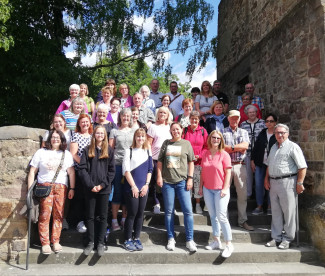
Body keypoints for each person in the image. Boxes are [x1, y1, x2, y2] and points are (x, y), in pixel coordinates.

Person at [27, 130, 75, 255]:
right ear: (49, 139)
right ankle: (45, 243)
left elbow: (71, 172)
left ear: (62, 140)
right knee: (44, 215)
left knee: (58, 215)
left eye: (58, 137)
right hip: (45, 187)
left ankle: (56, 241)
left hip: (61, 187)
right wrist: (29, 189)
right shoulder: (41, 152)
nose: (55, 139)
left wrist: (72, 188)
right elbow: (33, 171)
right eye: (53, 137)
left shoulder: (67, 154)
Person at [264, 124, 307, 250]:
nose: (280, 135)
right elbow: (269, 165)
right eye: (277, 133)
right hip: (273, 182)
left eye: (282, 132)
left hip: (288, 181)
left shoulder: (293, 147)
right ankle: (276, 237)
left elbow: (302, 166)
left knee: (289, 212)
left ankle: (288, 238)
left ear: (287, 133)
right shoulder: (273, 147)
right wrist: (266, 179)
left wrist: (299, 183)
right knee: (276, 211)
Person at [157, 122, 197, 252]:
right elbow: (160, 162)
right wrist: (159, 176)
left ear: (181, 130)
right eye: (173, 130)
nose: (176, 131)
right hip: (168, 182)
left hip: (182, 182)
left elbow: (191, 162)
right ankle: (170, 238)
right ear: (171, 131)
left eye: (178, 129)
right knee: (169, 212)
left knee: (188, 211)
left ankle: (190, 240)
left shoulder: (186, 144)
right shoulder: (166, 143)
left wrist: (190, 178)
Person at [78, 126, 115, 256]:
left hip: (104, 190)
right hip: (90, 189)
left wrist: (102, 185)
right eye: (97, 133)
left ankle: (100, 243)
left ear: (105, 135)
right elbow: (82, 169)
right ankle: (90, 242)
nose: (100, 135)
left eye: (102, 133)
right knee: (90, 216)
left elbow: (111, 171)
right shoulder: (87, 150)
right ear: (94, 135)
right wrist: (91, 185)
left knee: (103, 216)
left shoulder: (109, 151)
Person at [199, 130, 233, 258]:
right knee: (212, 216)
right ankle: (216, 240)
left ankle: (229, 243)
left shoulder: (224, 155)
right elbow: (203, 171)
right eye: (213, 138)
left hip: (220, 190)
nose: (215, 140)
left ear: (221, 141)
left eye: (218, 138)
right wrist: (201, 187)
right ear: (210, 139)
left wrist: (225, 188)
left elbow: (228, 173)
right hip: (208, 189)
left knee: (222, 216)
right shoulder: (206, 153)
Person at [222, 110, 254, 231]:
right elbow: (222, 148)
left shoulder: (244, 132)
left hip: (240, 165)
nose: (234, 120)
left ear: (239, 119)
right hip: (226, 166)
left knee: (242, 195)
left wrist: (231, 148)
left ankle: (242, 221)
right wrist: (237, 148)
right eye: (232, 118)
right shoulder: (222, 131)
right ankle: (224, 222)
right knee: (224, 194)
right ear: (228, 119)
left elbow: (245, 146)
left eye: (236, 118)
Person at [122, 128, 153, 251]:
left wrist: (146, 185)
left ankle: (136, 238)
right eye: (138, 136)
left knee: (140, 214)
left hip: (144, 188)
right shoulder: (128, 151)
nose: (140, 139)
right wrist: (133, 186)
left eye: (142, 136)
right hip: (131, 188)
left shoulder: (147, 151)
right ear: (135, 137)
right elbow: (126, 171)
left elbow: (150, 169)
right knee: (132, 213)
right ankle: (127, 239)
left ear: (145, 138)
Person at [109, 108, 135, 231]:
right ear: (120, 117)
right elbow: (110, 149)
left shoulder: (134, 131)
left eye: (128, 116)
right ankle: (114, 220)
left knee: (127, 193)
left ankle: (124, 219)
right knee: (117, 192)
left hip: (130, 166)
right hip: (118, 164)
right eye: (123, 116)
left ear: (131, 118)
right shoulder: (114, 131)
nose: (125, 118)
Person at [147, 106, 172, 214]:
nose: (162, 114)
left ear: (168, 115)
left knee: (168, 182)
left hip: (169, 159)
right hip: (155, 158)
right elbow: (148, 144)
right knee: (155, 182)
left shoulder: (170, 127)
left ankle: (169, 204)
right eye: (160, 112)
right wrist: (150, 158)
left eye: (164, 113)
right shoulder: (153, 127)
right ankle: (156, 203)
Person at [69, 114, 93, 228]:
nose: (85, 124)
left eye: (86, 121)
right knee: (79, 196)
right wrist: (84, 165)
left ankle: (87, 220)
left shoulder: (93, 136)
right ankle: (77, 221)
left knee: (89, 197)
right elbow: (73, 154)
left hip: (91, 171)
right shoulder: (76, 136)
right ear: (79, 123)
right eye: (82, 122)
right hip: (79, 170)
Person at [182, 111, 208, 214]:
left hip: (198, 162)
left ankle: (197, 204)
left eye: (196, 119)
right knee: (187, 184)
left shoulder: (203, 131)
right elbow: (182, 144)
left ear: (199, 120)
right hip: (187, 162)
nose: (194, 121)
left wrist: (200, 155)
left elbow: (206, 146)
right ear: (189, 119)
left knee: (197, 184)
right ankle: (188, 205)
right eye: (192, 118)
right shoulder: (185, 130)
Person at [251, 113, 277, 215]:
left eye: (271, 121)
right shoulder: (262, 133)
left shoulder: (278, 134)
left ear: (275, 122)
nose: (269, 123)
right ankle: (259, 206)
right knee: (258, 184)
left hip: (272, 164)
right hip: (260, 163)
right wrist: (252, 160)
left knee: (271, 185)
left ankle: (270, 206)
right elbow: (256, 147)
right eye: (267, 121)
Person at [240, 105, 266, 198]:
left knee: (259, 176)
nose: (252, 114)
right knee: (248, 176)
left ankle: (260, 196)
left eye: (253, 112)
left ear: (256, 113)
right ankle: (248, 194)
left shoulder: (263, 123)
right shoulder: (243, 124)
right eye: (250, 112)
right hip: (247, 153)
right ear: (247, 114)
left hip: (260, 153)